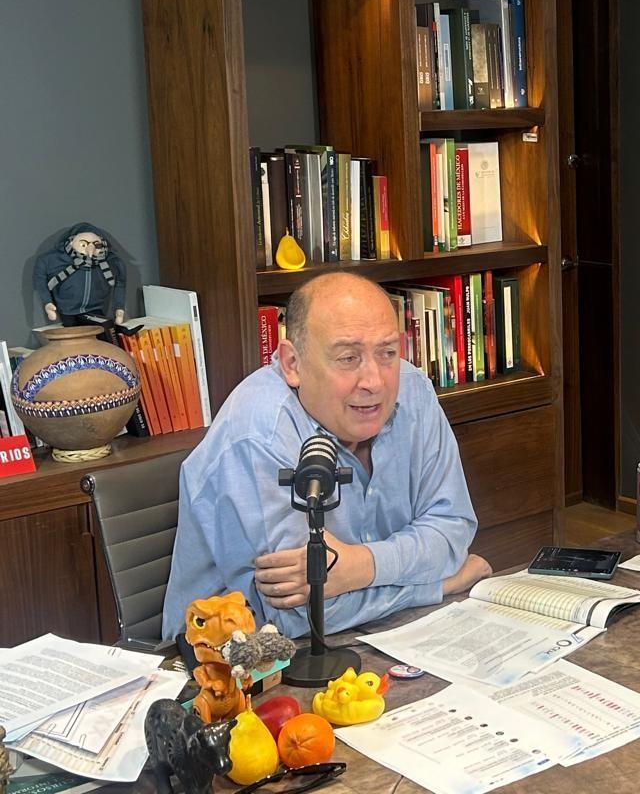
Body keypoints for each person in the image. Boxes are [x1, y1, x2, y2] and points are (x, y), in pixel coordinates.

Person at [163, 272, 491, 639]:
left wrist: (362, 567)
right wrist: (437, 585)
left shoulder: (412, 391)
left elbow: (453, 530)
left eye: (387, 353)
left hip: (380, 635)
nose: (375, 382)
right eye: (348, 358)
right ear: (292, 364)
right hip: (242, 664)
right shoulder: (259, 435)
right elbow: (302, 615)